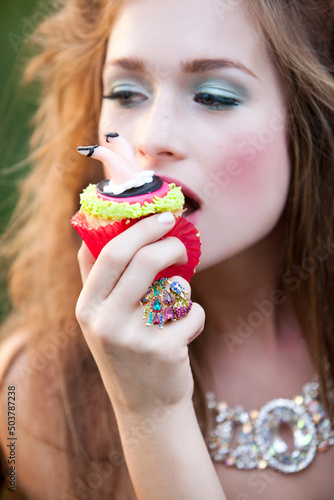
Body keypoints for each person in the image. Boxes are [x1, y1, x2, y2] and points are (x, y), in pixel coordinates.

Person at [0, 0, 334, 498]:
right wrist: (149, 414)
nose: (151, 139)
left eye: (215, 96)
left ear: (309, 120)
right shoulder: (30, 397)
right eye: (126, 92)